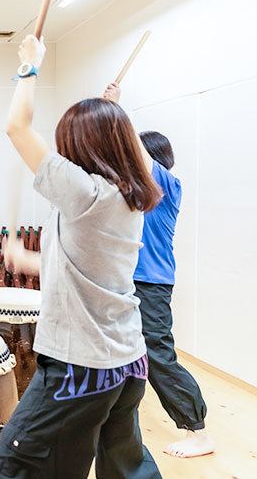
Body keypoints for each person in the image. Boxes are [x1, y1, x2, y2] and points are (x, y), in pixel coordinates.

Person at [0, 35, 162, 478]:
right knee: (124, 467)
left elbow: (17, 127)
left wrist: (30, 65)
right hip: (128, 361)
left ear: (82, 146)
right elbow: (86, 268)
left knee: (13, 468)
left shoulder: (86, 193)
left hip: (80, 366)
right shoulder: (131, 196)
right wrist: (26, 261)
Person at [103, 84, 214, 458]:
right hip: (128, 281)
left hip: (151, 284)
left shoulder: (168, 184)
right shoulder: (136, 192)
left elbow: (133, 150)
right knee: (122, 351)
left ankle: (197, 431)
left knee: (158, 355)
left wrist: (118, 112)